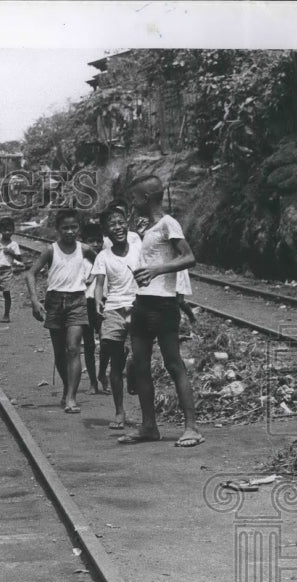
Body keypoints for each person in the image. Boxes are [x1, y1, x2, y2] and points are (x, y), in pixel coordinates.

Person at [119, 173, 204, 447]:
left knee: (173, 364)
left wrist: (157, 270)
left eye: (134, 198)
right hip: (142, 303)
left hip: (164, 305)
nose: (132, 203)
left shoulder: (169, 223)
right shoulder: (150, 227)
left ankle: (191, 427)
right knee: (140, 365)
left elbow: (189, 257)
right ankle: (149, 426)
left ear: (146, 198)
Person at [25, 209, 97, 414]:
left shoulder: (84, 249)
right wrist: (34, 300)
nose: (70, 232)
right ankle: (67, 387)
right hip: (55, 302)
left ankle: (72, 398)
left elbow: (100, 261)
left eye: (74, 227)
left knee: (73, 348)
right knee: (59, 352)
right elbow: (30, 274)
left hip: (77, 301)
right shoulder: (51, 250)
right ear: (57, 229)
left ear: (79, 228)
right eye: (65, 228)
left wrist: (92, 277)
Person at [92, 207, 140, 430]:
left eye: (121, 223)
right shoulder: (103, 256)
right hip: (113, 309)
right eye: (112, 225)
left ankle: (133, 365)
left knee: (141, 358)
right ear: (106, 231)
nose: (118, 228)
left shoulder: (138, 246)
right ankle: (119, 412)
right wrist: (98, 300)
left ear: (126, 224)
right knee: (114, 360)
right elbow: (99, 284)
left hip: (138, 305)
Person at [80, 222, 105, 394]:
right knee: (88, 345)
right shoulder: (80, 260)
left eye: (99, 240)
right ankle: (93, 382)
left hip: (104, 302)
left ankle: (103, 375)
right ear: (83, 242)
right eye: (91, 241)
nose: (95, 244)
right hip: (85, 303)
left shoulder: (106, 257)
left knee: (106, 343)